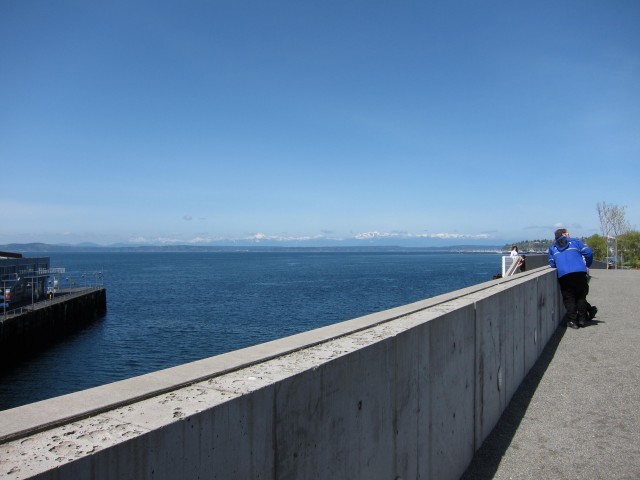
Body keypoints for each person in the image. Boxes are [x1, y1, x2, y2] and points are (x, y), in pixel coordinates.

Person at [548, 228, 594, 329]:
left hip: (564, 275)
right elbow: (589, 253)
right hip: (579, 272)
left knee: (569, 298)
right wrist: (588, 264)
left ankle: (573, 321)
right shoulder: (575, 242)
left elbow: (552, 263)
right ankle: (582, 319)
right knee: (581, 296)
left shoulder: (552, 248)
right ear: (565, 235)